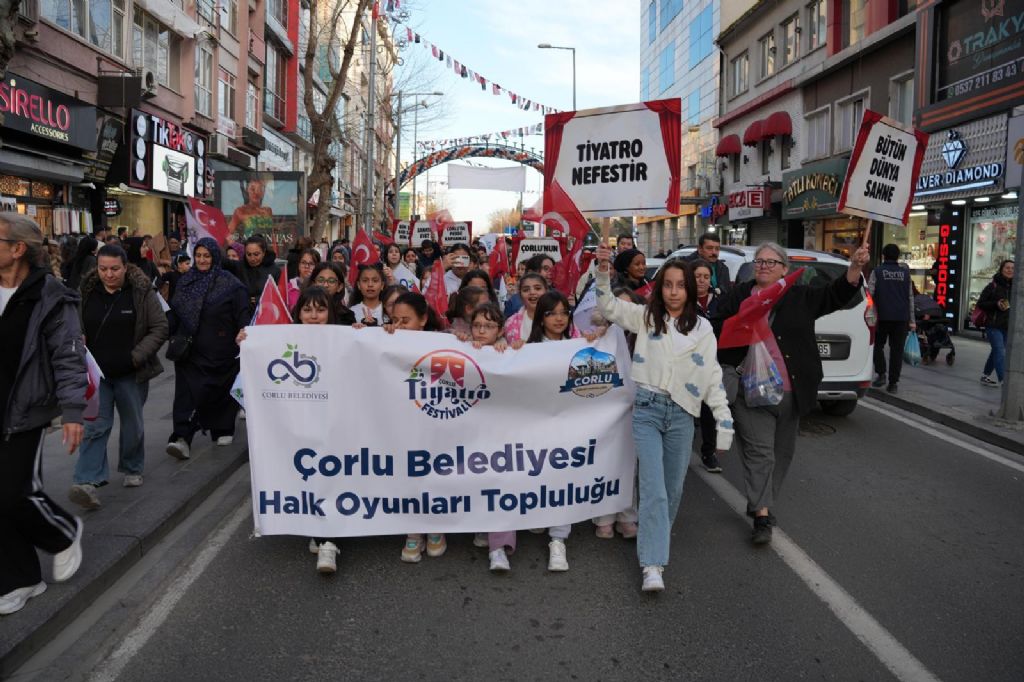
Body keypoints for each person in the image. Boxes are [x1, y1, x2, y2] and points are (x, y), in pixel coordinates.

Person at [594, 243, 733, 592]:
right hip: (647, 410)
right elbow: (608, 306)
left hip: (683, 414)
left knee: (672, 490)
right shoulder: (645, 317)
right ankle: (652, 564)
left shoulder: (702, 329)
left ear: (690, 289)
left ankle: (654, 536)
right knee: (653, 489)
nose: (673, 292)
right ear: (660, 288)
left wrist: (723, 421)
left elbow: (712, 376)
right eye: (667, 285)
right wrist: (603, 270)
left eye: (680, 285)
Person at [712, 241, 868, 546]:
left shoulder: (799, 296)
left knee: (782, 454)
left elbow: (834, 295)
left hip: (790, 390)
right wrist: (739, 325)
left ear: (784, 269)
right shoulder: (739, 295)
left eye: (771, 262)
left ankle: (761, 498)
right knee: (760, 453)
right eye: (759, 261)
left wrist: (854, 268)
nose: (763, 266)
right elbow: (714, 327)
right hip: (749, 392)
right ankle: (762, 515)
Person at [0, 212, 87, 615]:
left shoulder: (50, 295)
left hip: (25, 410)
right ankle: (21, 579)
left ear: (17, 249)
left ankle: (63, 533)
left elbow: (68, 356)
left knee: (14, 493)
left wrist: (73, 411)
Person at [69, 244, 168, 509]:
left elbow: (160, 327)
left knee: (132, 424)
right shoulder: (85, 292)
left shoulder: (142, 291)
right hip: (97, 375)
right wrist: (78, 339)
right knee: (95, 426)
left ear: (125, 267)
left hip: (131, 373)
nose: (109, 274)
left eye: (114, 269)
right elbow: (73, 325)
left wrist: (136, 357)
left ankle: (132, 466)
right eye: (103, 269)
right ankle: (87, 481)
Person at [166, 238, 251, 460]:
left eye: (207, 256)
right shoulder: (185, 282)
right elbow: (174, 312)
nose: (202, 260)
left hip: (221, 351)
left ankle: (222, 428)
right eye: (198, 256)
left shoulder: (231, 285)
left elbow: (242, 314)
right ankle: (181, 437)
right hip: (189, 351)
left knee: (217, 393)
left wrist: (244, 333)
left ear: (215, 257)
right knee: (187, 395)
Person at [382, 291, 447, 564]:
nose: (399, 326)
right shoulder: (384, 339)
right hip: (400, 422)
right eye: (394, 320)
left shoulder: (444, 342)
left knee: (434, 471)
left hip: (434, 421)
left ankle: (435, 525)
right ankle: (413, 529)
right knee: (407, 471)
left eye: (405, 320)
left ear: (423, 319)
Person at [867, 244, 915, 393]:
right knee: (897, 351)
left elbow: (869, 295)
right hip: (901, 318)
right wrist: (912, 320)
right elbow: (910, 298)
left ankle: (881, 373)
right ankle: (893, 383)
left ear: (883, 256)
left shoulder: (877, 272)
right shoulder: (905, 274)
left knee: (876, 346)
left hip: (882, 317)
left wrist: (869, 315)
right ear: (898, 256)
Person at [691, 260, 722, 473]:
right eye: (697, 276)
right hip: (688, 365)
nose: (701, 281)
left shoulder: (719, 300)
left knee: (709, 410)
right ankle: (681, 449)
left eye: (705, 276)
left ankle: (709, 452)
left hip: (712, 363)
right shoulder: (681, 301)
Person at [977, 259, 1014, 387]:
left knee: (996, 351)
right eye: (1007, 268)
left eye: (1012, 268)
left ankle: (985, 376)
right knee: (1000, 351)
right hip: (993, 325)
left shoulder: (1016, 287)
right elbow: (981, 303)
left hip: (1007, 326)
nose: (1010, 270)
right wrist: (996, 304)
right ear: (1001, 269)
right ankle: (1004, 381)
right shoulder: (993, 286)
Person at [238, 236, 281, 308]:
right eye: (249, 254)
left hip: (266, 311)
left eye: (256, 254)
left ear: (264, 252)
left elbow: (278, 296)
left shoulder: (275, 270)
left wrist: (259, 299)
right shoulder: (240, 267)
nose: (252, 258)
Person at [504, 273, 548, 345]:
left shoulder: (559, 318)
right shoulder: (511, 322)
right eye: (526, 290)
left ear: (546, 291)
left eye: (537, 288)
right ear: (520, 295)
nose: (532, 292)